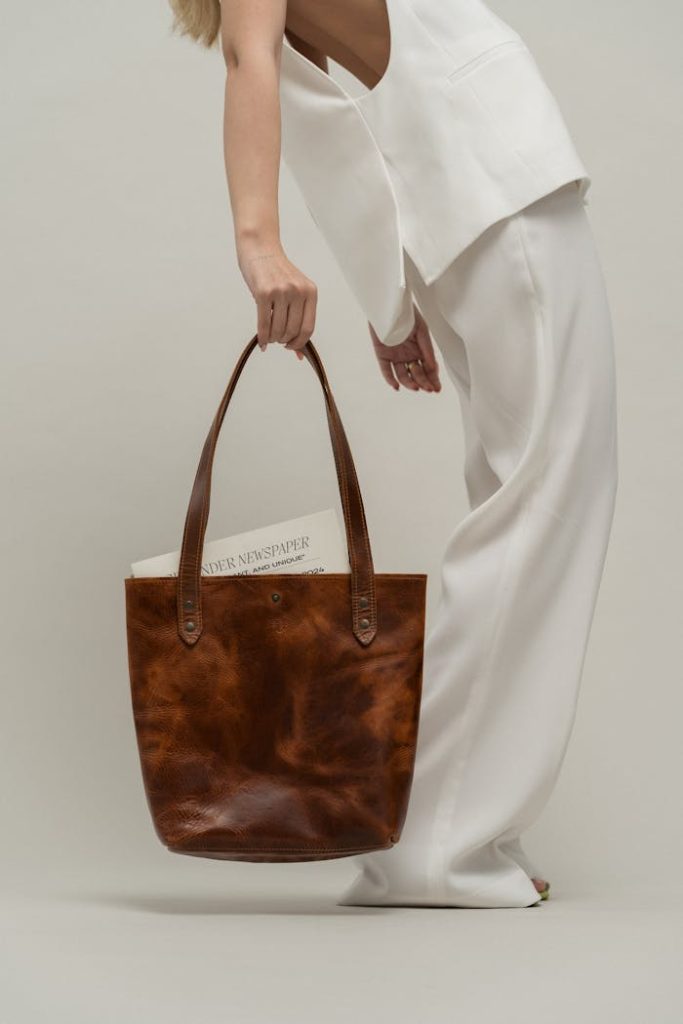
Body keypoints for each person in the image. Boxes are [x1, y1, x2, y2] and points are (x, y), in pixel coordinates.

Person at [168, 0, 618, 908]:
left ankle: (439, 824)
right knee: (542, 504)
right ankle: (435, 842)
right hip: (497, 191)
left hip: (468, 209)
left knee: (521, 502)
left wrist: (391, 297)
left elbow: (330, 113)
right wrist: (259, 244)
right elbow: (255, 65)